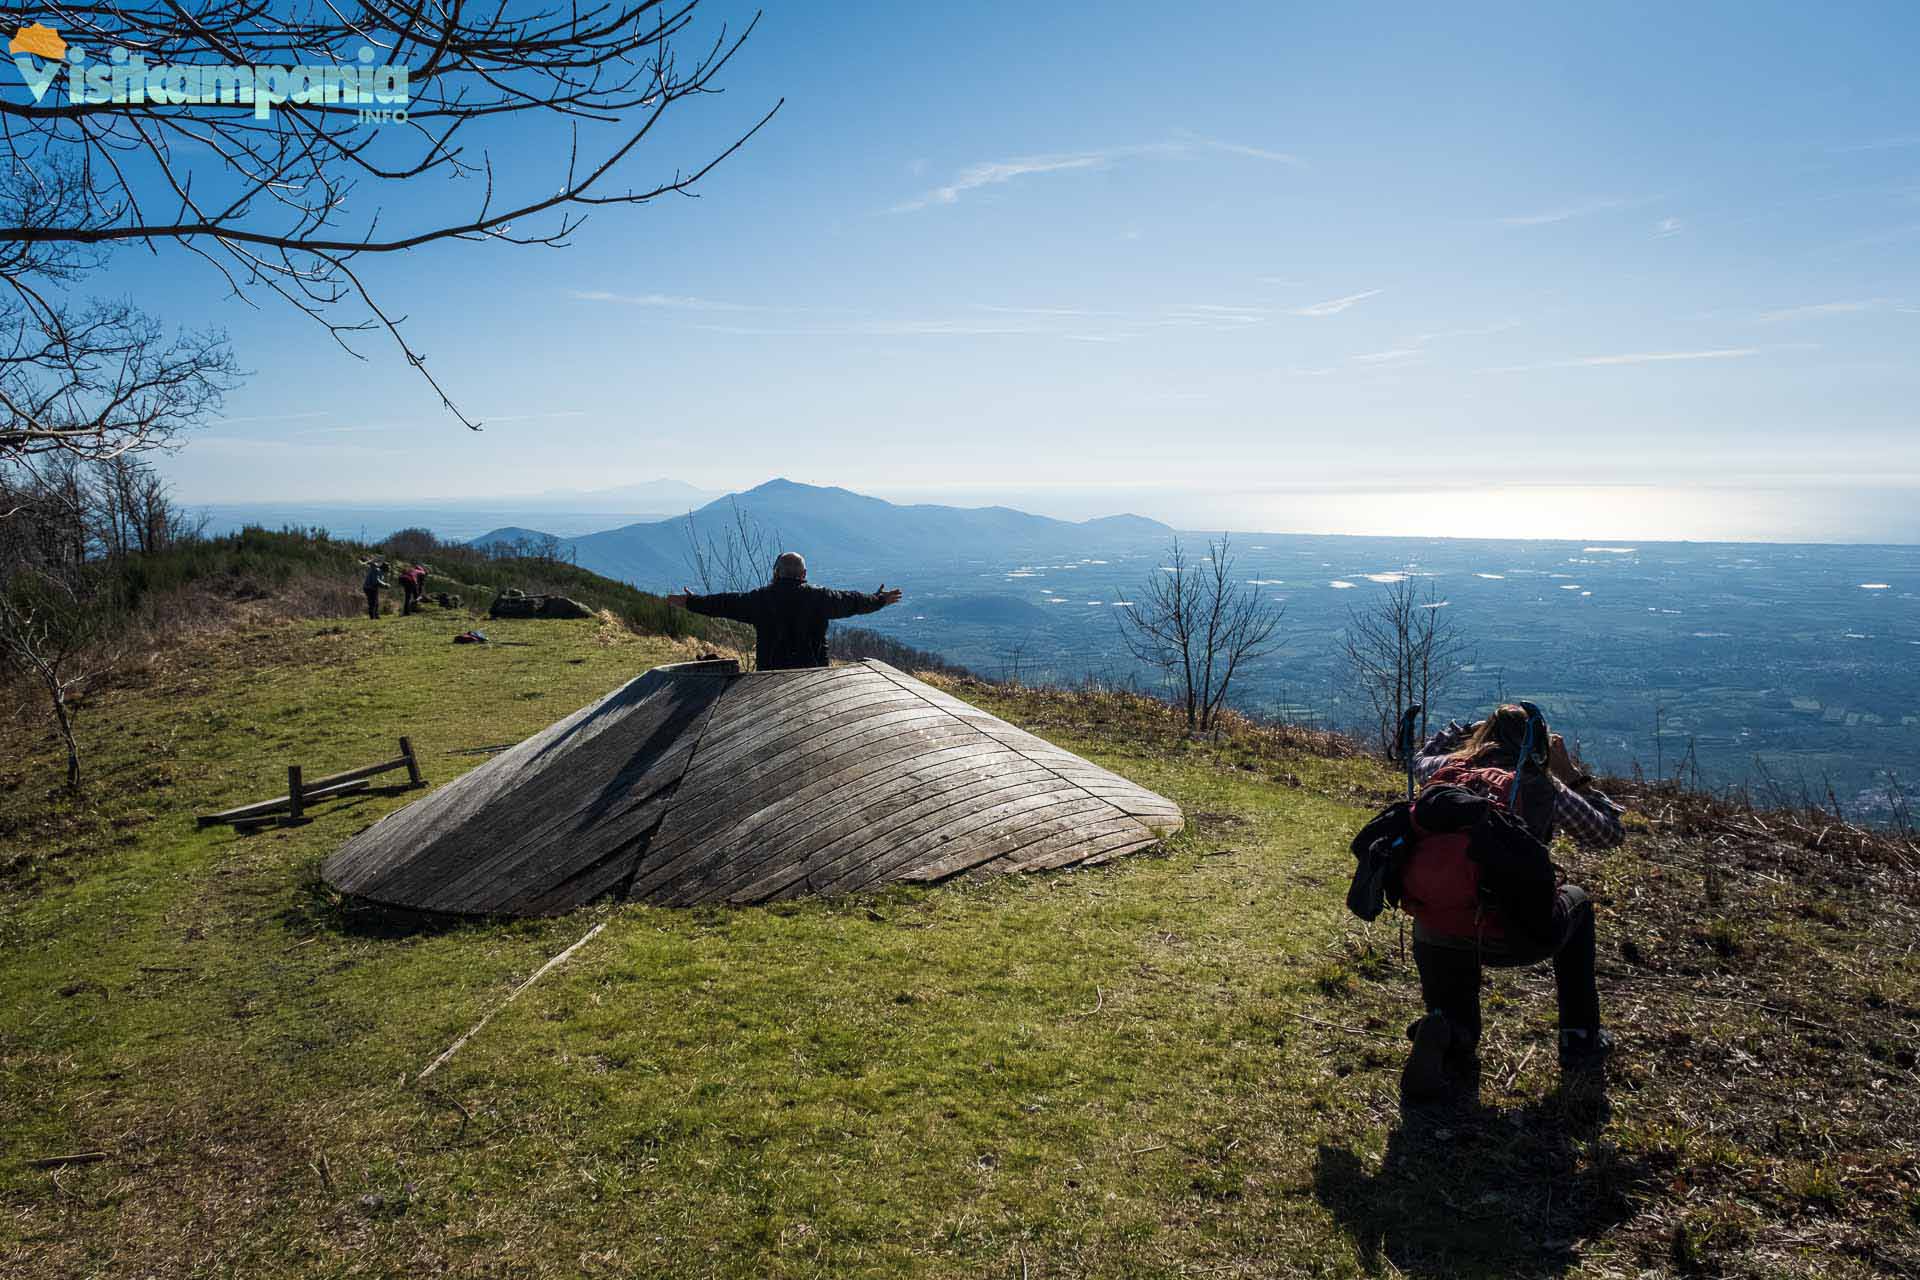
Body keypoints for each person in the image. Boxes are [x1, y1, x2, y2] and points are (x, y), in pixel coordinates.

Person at [1397, 704, 1626, 1100]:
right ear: (1538, 746)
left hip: (1436, 925)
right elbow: (1608, 834)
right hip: (1513, 932)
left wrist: (1460, 730)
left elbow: (1413, 757)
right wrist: (1569, 772)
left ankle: (1448, 1032)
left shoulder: (1443, 771)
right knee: (1579, 904)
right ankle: (1580, 1038)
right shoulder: (1543, 786)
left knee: (1458, 1022)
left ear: (1484, 736)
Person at [666, 552, 902, 671]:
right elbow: (854, 602)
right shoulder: (820, 598)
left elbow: (723, 604)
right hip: (813, 675)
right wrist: (880, 599)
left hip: (770, 676)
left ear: (776, 573)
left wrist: (690, 602)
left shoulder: (759, 600)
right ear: (804, 575)